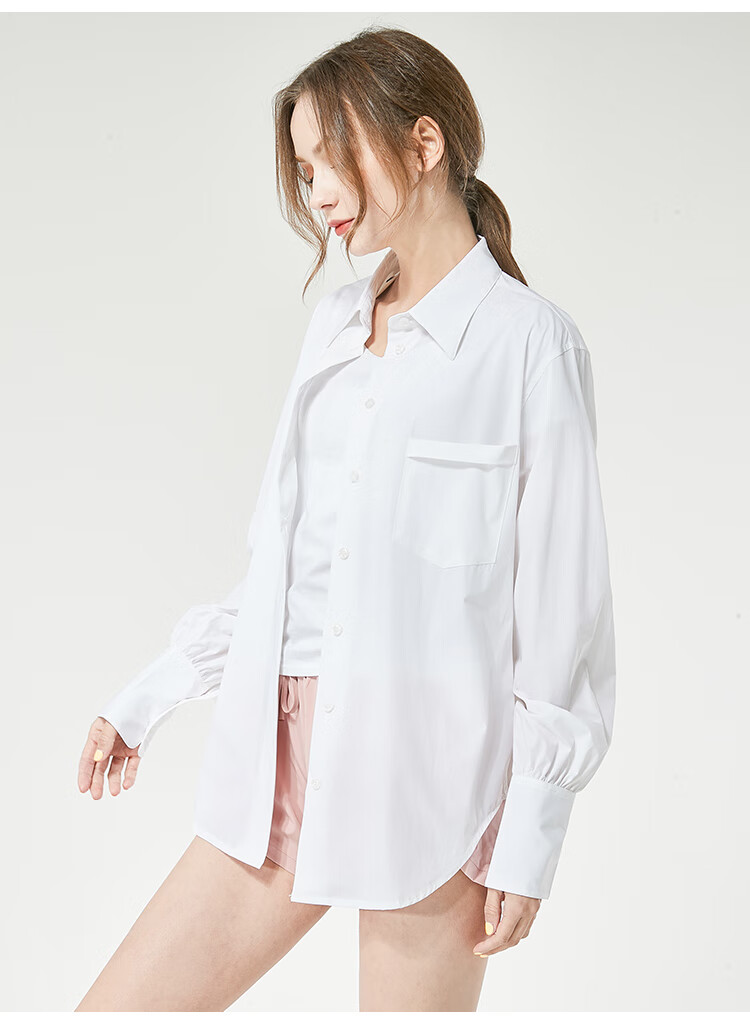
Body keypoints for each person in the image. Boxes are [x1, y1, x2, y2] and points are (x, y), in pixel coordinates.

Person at [75, 26, 616, 1012]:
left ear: (425, 142)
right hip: (276, 761)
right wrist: (148, 696)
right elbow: (288, 566)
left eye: (331, 157)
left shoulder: (531, 347)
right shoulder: (332, 324)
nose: (317, 190)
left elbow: (562, 620)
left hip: (435, 780)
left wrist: (531, 833)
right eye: (303, 168)